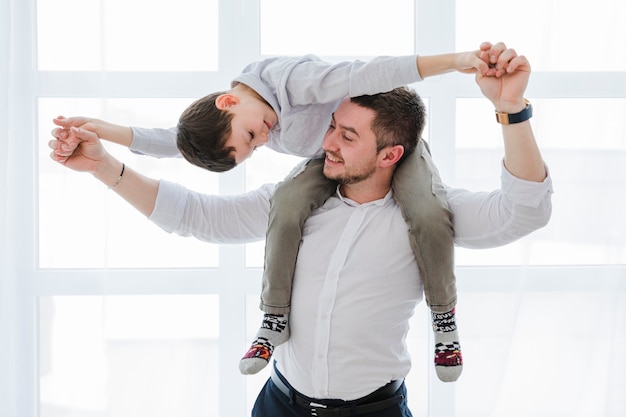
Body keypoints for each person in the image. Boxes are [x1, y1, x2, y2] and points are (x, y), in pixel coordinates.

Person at [50, 42, 552, 416]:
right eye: (331, 125)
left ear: (390, 155)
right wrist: (102, 163)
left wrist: (512, 109)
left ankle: (449, 322)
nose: (325, 142)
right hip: (278, 403)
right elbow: (193, 214)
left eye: (346, 135)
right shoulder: (292, 199)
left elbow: (524, 211)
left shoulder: (431, 215)